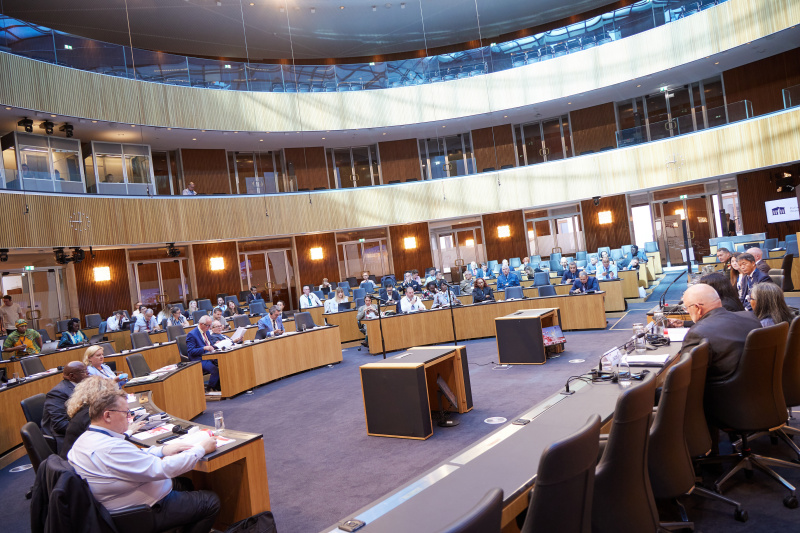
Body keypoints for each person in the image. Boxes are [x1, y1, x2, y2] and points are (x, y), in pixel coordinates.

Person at [67, 389, 220, 532]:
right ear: (107, 416)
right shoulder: (110, 448)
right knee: (210, 502)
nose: (129, 419)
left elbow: (133, 455)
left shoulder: (85, 439)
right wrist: (201, 449)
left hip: (117, 504)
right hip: (137, 513)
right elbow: (162, 469)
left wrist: (162, 450)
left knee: (185, 484)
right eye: (126, 413)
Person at [679, 284, 761, 385]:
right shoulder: (751, 317)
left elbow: (683, 376)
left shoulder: (697, 332)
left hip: (722, 392)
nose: (687, 312)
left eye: (686, 308)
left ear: (697, 308)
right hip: (759, 385)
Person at [60, 376, 143, 459]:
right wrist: (129, 432)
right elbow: (106, 443)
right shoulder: (89, 414)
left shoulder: (85, 410)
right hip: (79, 461)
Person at [42, 361, 88, 450]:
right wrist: (89, 428)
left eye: (87, 371)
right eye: (84, 372)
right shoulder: (57, 393)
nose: (88, 374)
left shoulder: (82, 386)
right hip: (64, 438)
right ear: (72, 376)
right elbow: (60, 425)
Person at [185, 315, 219, 390]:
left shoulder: (207, 332)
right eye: (208, 325)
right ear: (201, 324)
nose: (209, 328)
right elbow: (191, 351)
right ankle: (209, 389)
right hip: (199, 358)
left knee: (224, 364)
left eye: (210, 325)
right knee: (215, 370)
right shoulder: (192, 334)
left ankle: (220, 386)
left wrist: (216, 345)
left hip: (210, 355)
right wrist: (204, 348)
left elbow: (210, 345)